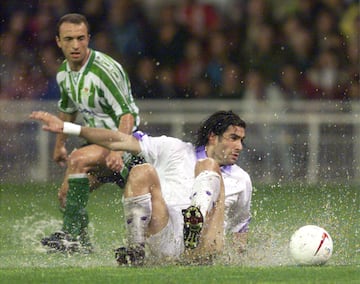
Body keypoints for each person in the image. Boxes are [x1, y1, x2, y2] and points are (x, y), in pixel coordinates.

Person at [30, 110, 252, 265]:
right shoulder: (174, 149)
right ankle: (135, 250)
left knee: (209, 166)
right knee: (141, 171)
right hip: (164, 237)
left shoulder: (241, 180)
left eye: (241, 140)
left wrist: (239, 260)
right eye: (233, 138)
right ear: (213, 137)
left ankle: (195, 221)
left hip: (203, 249)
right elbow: (118, 140)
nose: (239, 146)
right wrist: (69, 128)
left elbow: (240, 228)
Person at [40, 13, 142, 253]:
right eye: (69, 39)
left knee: (78, 160)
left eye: (80, 38)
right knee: (65, 196)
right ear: (58, 42)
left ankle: (71, 237)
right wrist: (59, 145)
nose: (75, 45)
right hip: (97, 145)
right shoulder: (64, 73)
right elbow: (67, 110)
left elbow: (126, 115)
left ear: (88, 39)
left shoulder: (104, 70)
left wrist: (118, 150)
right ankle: (82, 244)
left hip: (126, 143)